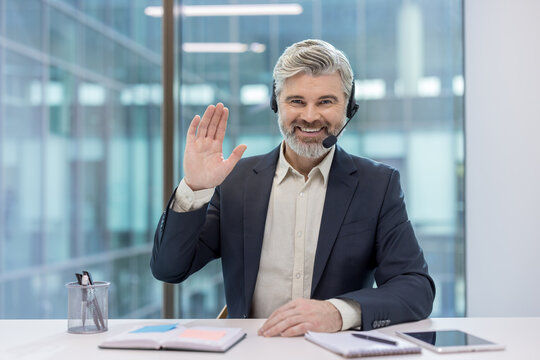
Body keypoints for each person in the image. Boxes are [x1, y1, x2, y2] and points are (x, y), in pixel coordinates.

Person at [151, 39, 435, 337]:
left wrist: (338, 312)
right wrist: (195, 187)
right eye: (296, 101)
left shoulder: (377, 185)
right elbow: (169, 269)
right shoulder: (236, 181)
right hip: (253, 351)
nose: (310, 116)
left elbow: (415, 288)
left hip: (336, 352)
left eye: (326, 101)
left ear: (349, 108)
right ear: (276, 104)